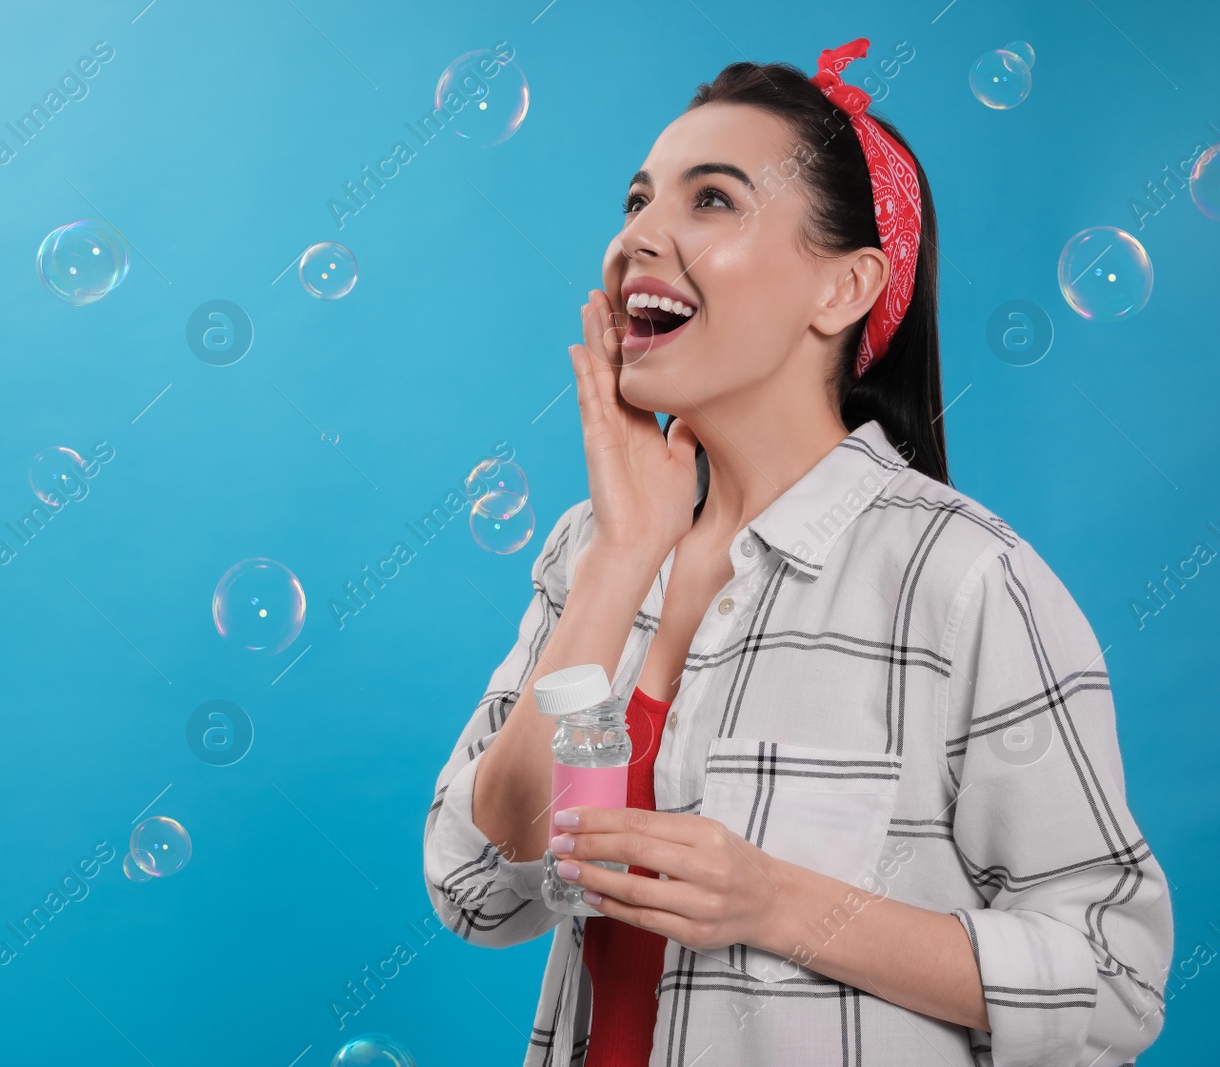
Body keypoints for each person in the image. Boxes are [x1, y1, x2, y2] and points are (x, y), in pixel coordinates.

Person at [421, 38, 1173, 1067]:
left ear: (843, 289)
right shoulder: (593, 546)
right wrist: (622, 559)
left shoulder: (961, 581)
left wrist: (776, 902)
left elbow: (1114, 982)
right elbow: (478, 882)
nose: (638, 234)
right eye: (637, 199)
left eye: (712, 200)